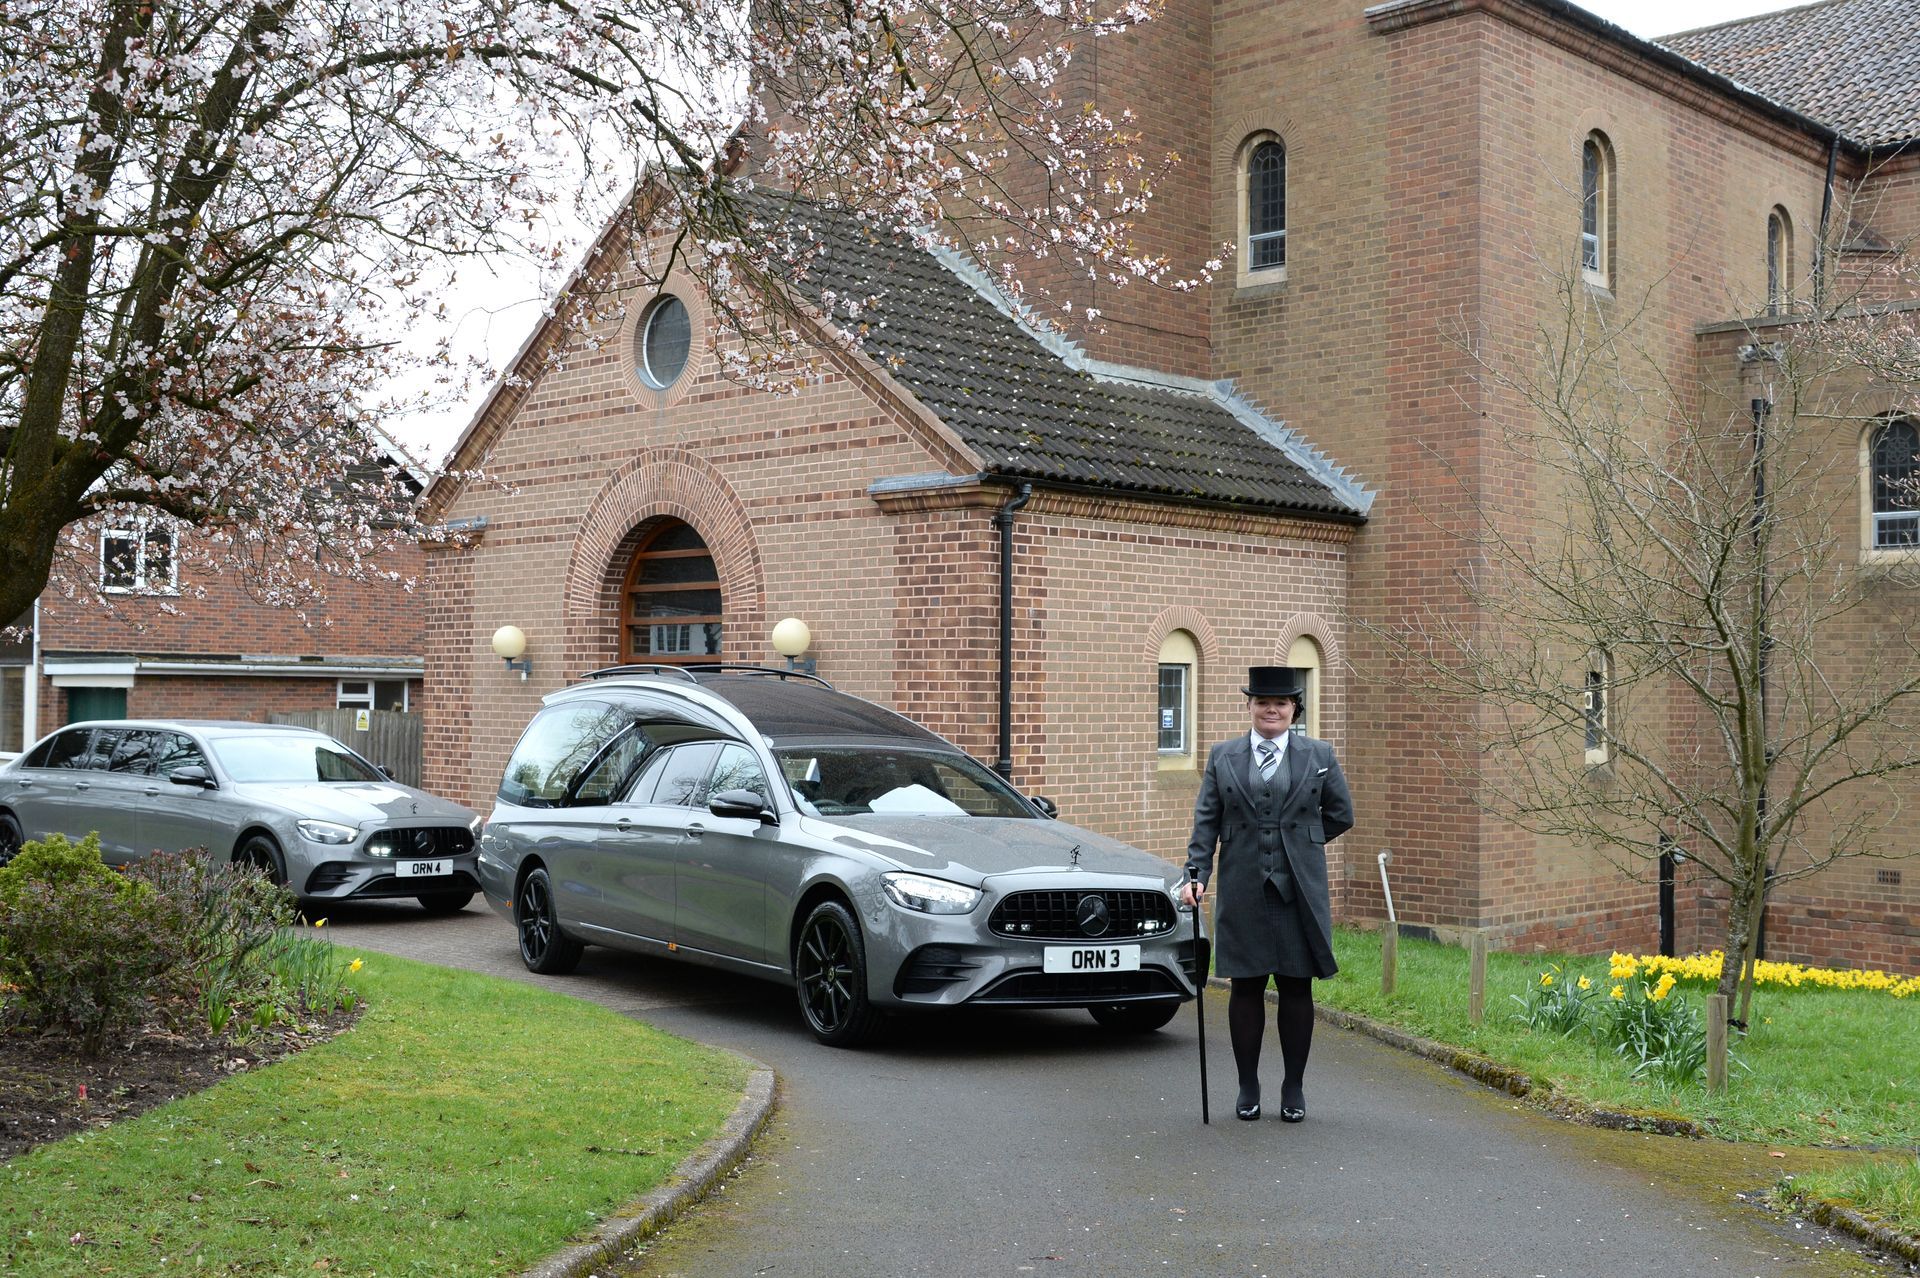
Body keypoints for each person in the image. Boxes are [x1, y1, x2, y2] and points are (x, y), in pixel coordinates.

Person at [1179, 666, 1354, 1122]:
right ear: (1251, 706)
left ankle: (1293, 1087)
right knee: (1247, 986)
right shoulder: (1224, 757)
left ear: (1294, 708)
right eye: (1262, 702)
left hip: (1299, 890)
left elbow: (1341, 814)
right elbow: (1206, 825)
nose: (1271, 709)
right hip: (1242, 887)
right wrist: (1195, 875)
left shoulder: (1319, 754)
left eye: (1280, 703)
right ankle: (1247, 1085)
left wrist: (1300, 840)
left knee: (1296, 987)